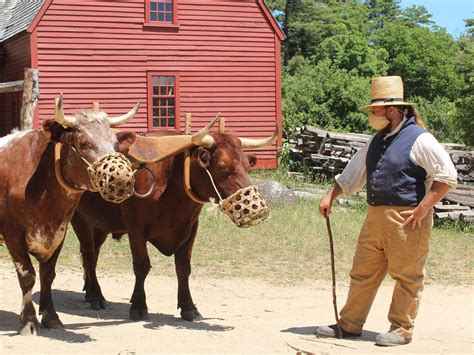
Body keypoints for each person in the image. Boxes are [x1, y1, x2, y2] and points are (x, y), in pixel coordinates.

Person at [316, 76, 458, 346]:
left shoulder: (420, 139)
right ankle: (349, 324)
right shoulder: (376, 140)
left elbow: (447, 177)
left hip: (407, 220)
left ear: (392, 110)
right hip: (374, 218)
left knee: (408, 276)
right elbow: (353, 174)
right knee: (362, 273)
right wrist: (330, 196)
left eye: (374, 109)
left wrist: (422, 209)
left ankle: (401, 329)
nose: (371, 114)